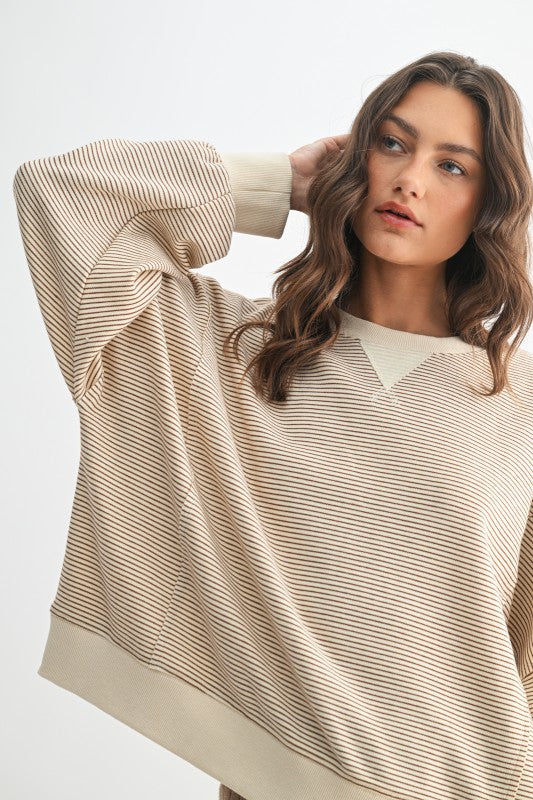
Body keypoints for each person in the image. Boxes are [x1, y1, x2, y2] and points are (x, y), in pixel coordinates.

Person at [13, 50, 533, 800]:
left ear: (489, 203)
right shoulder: (228, 352)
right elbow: (57, 194)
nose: (410, 179)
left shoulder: (518, 402)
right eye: (391, 143)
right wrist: (278, 184)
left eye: (452, 166)